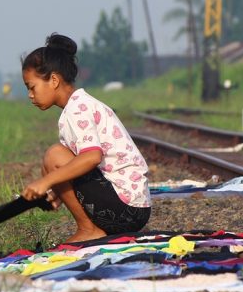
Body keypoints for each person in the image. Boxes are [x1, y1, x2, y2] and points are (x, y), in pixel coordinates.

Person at [20, 33, 151, 243]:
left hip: (126, 208)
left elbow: (92, 157)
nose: (30, 95)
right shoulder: (79, 105)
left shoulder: (77, 110)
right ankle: (90, 228)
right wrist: (56, 190)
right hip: (132, 208)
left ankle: (88, 229)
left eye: (31, 87)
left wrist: (45, 182)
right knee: (54, 162)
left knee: (54, 156)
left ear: (54, 80)